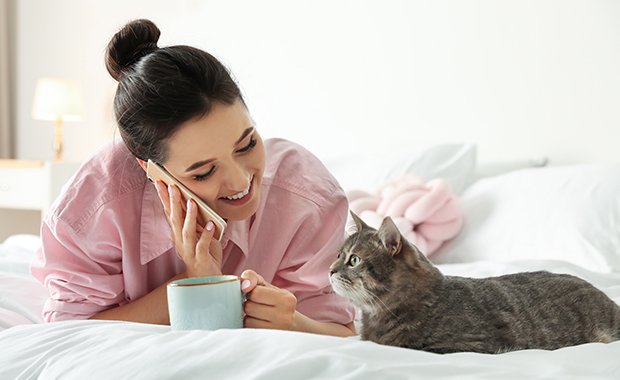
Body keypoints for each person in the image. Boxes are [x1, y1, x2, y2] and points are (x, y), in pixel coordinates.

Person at [30, 19, 356, 337]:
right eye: (204, 171)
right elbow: (70, 334)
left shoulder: (305, 196)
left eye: (247, 144)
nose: (240, 181)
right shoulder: (96, 205)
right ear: (151, 170)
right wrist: (195, 279)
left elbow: (341, 331)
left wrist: (295, 323)